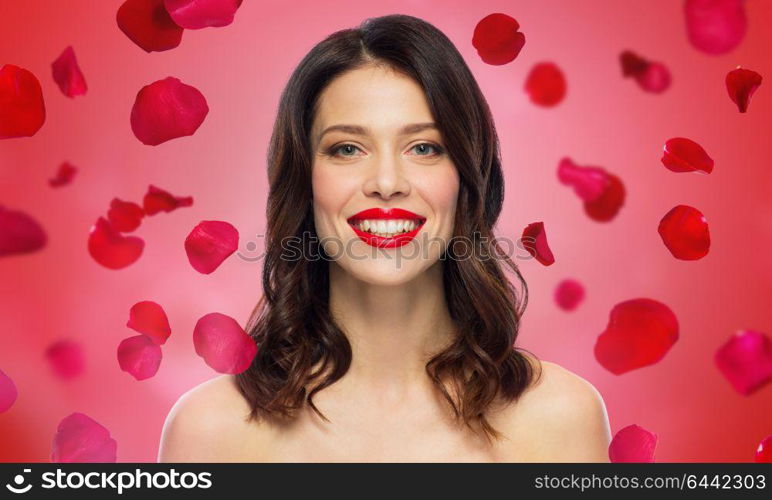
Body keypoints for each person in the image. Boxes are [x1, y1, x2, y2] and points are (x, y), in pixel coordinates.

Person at [158, 13, 611, 462]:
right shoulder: (210, 430)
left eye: (425, 147)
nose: (387, 182)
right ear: (304, 180)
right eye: (347, 149)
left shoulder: (560, 417)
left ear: (467, 177)